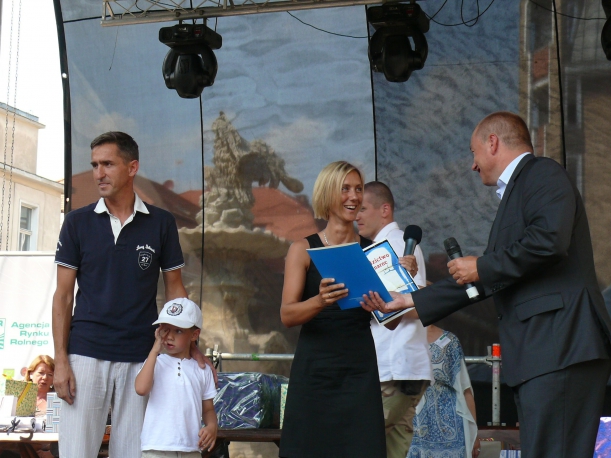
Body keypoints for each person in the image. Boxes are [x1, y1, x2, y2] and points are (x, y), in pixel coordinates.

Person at [362, 112, 611, 458]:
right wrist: (408, 301)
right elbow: (481, 281)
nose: (472, 165)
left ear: (493, 143)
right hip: (543, 352)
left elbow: (549, 241)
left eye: (473, 152)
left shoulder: (542, 173)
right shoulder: (518, 192)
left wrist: (481, 265)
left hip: (560, 344)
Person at [52, 132, 209, 458]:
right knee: (75, 453)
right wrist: (61, 360)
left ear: (132, 167)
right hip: (85, 354)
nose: (99, 173)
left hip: (141, 356)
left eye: (108, 164)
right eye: (95, 165)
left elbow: (175, 291)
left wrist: (189, 345)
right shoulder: (77, 222)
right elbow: (63, 297)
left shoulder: (161, 223)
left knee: (134, 455)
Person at [279, 161, 387, 458]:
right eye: (345, 189)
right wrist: (320, 301)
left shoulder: (374, 251)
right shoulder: (302, 249)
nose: (354, 197)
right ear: (328, 194)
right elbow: (287, 315)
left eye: (359, 189)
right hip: (315, 372)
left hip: (359, 371)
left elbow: (391, 321)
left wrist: (393, 292)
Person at [356, 181, 432, 458]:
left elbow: (420, 301)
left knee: (360, 443)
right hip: (402, 367)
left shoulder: (396, 244)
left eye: (363, 208)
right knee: (393, 450)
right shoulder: (385, 244)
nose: (356, 216)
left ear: (385, 209)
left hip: (394, 366)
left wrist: (375, 305)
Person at [135, 297, 218, 457]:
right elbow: (141, 389)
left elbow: (208, 408)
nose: (169, 336)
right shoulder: (156, 362)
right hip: (157, 447)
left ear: (194, 335)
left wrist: (212, 426)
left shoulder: (202, 369)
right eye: (165, 330)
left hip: (191, 447)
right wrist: (154, 350)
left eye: (178, 331)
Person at [408, 325, 479, 458]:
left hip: (449, 426)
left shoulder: (450, 341)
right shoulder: (398, 339)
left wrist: (474, 435)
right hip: (410, 423)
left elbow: (465, 390)